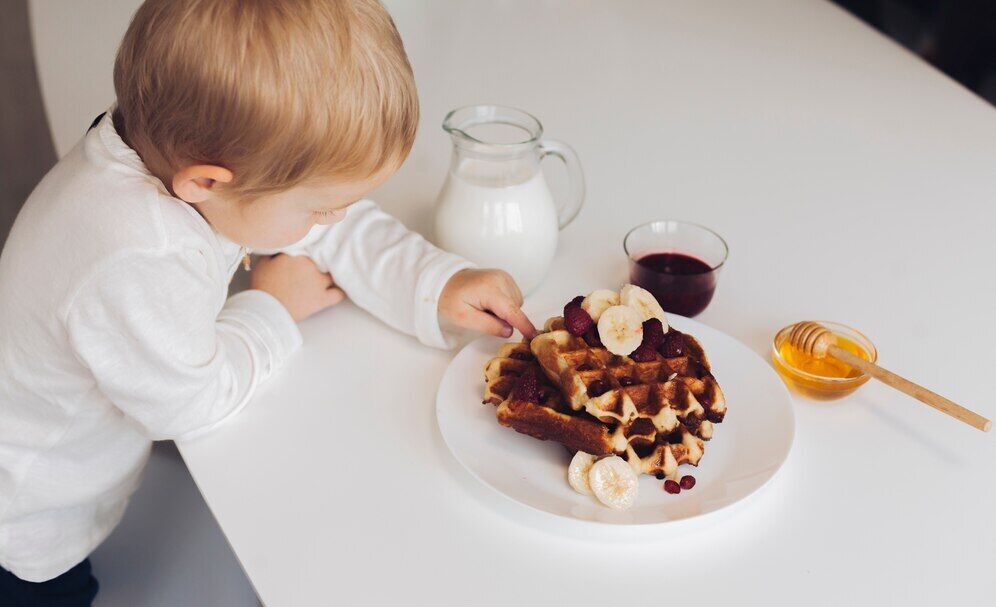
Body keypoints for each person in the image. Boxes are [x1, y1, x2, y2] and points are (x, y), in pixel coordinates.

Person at [0, 1, 536, 603]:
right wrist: (271, 307)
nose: (329, 219)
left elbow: (331, 221)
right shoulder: (134, 255)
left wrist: (436, 283)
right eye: (316, 208)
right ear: (205, 183)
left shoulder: (184, 151)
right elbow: (191, 402)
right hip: (25, 525)